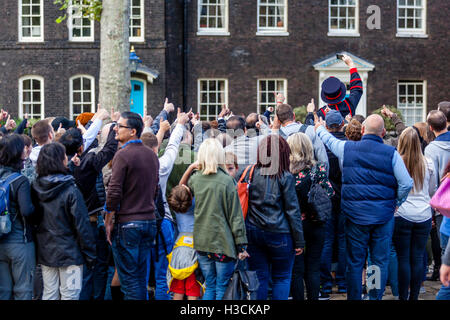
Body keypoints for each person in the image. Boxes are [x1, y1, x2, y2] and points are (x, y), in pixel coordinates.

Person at [315, 114, 413, 300]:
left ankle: (354, 297)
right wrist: (396, 202)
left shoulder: (347, 148)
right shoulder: (391, 153)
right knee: (377, 262)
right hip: (383, 217)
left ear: (362, 130)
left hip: (355, 216)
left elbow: (329, 139)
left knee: (355, 262)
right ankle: (374, 296)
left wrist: (319, 126)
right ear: (383, 132)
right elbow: (406, 183)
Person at [59, 115, 119, 300]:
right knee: (98, 266)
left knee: (78, 270)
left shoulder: (56, 166)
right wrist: (115, 129)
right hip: (91, 222)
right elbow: (108, 151)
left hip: (67, 226)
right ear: (81, 147)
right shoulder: (87, 163)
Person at [104, 111, 160, 300]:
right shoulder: (151, 155)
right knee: (139, 278)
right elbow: (155, 190)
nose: (115, 129)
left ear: (133, 131)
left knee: (129, 282)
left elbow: (113, 191)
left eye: (120, 126)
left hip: (128, 224)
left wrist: (108, 219)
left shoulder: (123, 154)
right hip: (148, 221)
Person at [31, 142, 96, 300]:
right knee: (70, 295)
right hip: (70, 252)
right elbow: (82, 225)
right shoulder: (70, 189)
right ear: (60, 160)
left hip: (45, 250)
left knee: (49, 294)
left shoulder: (34, 187)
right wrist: (90, 254)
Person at [187, 138, 248, 300]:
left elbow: (182, 193)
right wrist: (241, 245)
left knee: (210, 285)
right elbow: (235, 217)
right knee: (222, 286)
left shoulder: (195, 179)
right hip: (223, 243)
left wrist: (191, 168)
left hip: (202, 242)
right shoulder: (227, 181)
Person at [245, 134, 304, 300]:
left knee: (259, 277)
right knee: (282, 277)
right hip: (280, 233)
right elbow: (293, 211)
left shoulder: (250, 172)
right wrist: (299, 241)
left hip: (254, 231)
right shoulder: (285, 177)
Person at [287, 132, 334, 300]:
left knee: (296, 269)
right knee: (313, 267)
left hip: (294, 225)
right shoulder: (319, 169)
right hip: (316, 222)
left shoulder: (286, 172)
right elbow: (330, 192)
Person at [393, 127, 437, 300]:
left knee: (403, 257)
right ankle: (415, 296)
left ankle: (403, 296)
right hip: (424, 214)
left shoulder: (396, 162)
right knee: (417, 257)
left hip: (402, 214)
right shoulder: (428, 163)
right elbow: (432, 189)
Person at [0, 134, 35, 300]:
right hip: (19, 241)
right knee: (23, 290)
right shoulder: (20, 180)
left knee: (3, 291)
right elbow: (26, 211)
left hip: (1, 242)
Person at [318, 110, 348, 298]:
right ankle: (343, 284)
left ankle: (326, 286)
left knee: (327, 242)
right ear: (342, 124)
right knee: (344, 241)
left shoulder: (321, 143)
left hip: (326, 197)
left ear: (326, 126)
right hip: (345, 197)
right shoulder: (349, 144)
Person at [275, 103, 329, 170]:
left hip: (287, 178)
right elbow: (323, 159)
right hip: (310, 177)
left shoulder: (275, 137)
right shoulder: (311, 130)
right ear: (294, 115)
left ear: (278, 121)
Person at [316, 54, 363, 120]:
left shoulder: (321, 114)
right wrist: (351, 65)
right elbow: (357, 88)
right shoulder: (349, 105)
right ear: (341, 92)